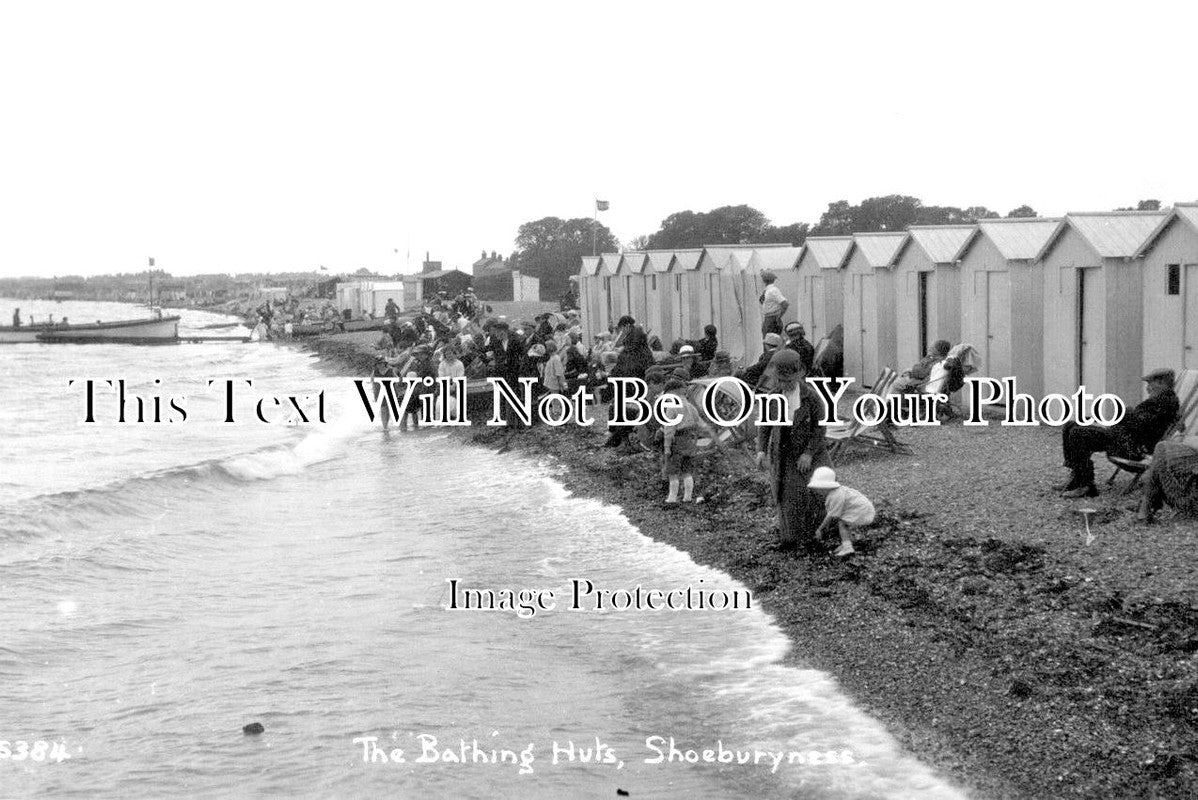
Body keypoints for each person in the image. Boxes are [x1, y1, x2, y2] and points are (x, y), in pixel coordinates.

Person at [1057, 368, 1180, 498]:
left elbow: (1141, 424)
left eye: (1150, 384)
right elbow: (1138, 421)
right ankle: (1076, 476)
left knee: (1078, 432)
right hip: (1124, 438)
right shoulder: (1162, 400)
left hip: (1131, 447)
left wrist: (1125, 413)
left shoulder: (1164, 402)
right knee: (1071, 425)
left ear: (1161, 383)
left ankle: (1085, 484)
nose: (1148, 388)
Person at [756, 349, 830, 551]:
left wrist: (808, 453)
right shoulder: (773, 397)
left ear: (799, 376)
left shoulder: (812, 398)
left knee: (818, 493)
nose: (785, 384)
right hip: (783, 452)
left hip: (811, 453)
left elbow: (820, 428)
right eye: (781, 380)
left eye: (789, 380)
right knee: (786, 496)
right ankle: (789, 539)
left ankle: (818, 535)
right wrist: (761, 451)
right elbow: (765, 426)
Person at [662, 376, 716, 504]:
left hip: (678, 440)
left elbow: (669, 430)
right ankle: (687, 496)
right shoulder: (690, 406)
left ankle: (672, 498)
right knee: (686, 470)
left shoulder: (672, 407)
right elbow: (700, 423)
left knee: (672, 471)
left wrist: (667, 447)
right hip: (690, 440)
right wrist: (710, 431)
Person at [809, 466, 876, 557]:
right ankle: (847, 543)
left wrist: (820, 529)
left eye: (818, 488)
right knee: (845, 523)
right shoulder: (838, 491)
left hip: (862, 511)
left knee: (842, 524)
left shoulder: (835, 495)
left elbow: (831, 515)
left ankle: (848, 548)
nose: (817, 491)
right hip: (863, 509)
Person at [1138, 436, 1198, 522]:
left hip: (1192, 502)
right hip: (1187, 495)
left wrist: (1185, 440)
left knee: (1161, 448)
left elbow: (1190, 441)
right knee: (1162, 450)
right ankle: (1147, 506)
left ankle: (1147, 506)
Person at [759, 271, 788, 337]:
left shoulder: (773, 290)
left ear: (764, 281)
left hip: (772, 319)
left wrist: (778, 317)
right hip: (768, 318)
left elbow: (785, 304)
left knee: (768, 340)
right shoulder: (767, 290)